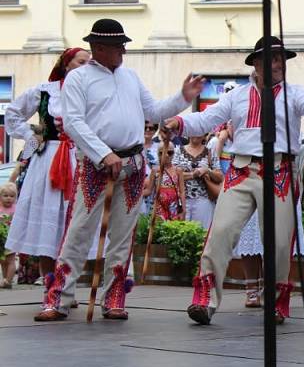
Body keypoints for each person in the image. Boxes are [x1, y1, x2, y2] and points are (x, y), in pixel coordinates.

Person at [164, 35, 304, 325]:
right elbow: (207, 119)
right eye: (272, 59)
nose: (278, 64)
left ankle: (276, 302)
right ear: (257, 63)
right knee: (220, 231)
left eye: (281, 59)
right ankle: (204, 300)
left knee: (280, 242)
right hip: (240, 169)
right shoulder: (236, 95)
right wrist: (179, 122)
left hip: (279, 170)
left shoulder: (295, 93)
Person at [33, 18, 204, 322]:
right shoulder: (78, 79)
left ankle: (114, 297)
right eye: (117, 46)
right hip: (96, 165)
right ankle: (58, 298)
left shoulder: (131, 77)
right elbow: (74, 122)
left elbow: (153, 111)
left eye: (123, 45)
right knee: (78, 232)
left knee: (123, 236)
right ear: (98, 47)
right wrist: (103, 153)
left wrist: (183, 98)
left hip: (134, 164)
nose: (123, 50)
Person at [5, 47, 90, 285]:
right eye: (81, 62)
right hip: (48, 158)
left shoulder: (92, 93)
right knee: (47, 222)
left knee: (75, 221)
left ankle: (67, 285)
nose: (86, 67)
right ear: (66, 64)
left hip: (81, 157)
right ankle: (50, 284)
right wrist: (36, 136)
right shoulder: (44, 91)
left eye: (88, 63)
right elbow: (13, 113)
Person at [173, 134, 222, 229]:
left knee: (202, 234)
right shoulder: (178, 151)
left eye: (200, 132)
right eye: (194, 131)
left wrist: (207, 170)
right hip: (182, 200)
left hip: (203, 199)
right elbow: (173, 175)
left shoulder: (210, 152)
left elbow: (220, 177)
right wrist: (193, 175)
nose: (197, 134)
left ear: (204, 135)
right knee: (181, 234)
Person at [152, 144, 185, 221]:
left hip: (174, 206)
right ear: (158, 154)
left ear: (174, 153)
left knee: (173, 229)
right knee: (160, 229)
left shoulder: (178, 170)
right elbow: (149, 190)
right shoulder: (155, 171)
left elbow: (182, 191)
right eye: (162, 152)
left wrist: (183, 210)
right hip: (159, 206)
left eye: (170, 152)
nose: (166, 155)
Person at [0, 183, 18, 288]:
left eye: (11, 196)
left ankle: (8, 280)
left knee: (11, 260)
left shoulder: (15, 209)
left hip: (11, 238)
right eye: (5, 195)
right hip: (1, 239)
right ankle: (5, 278)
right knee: (3, 260)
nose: (8, 198)